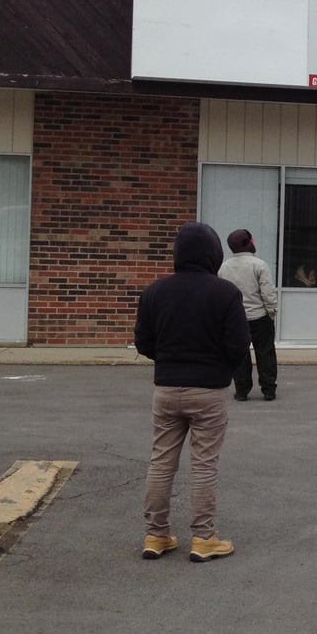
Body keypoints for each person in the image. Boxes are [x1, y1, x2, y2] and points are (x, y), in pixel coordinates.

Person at [134, 222, 251, 563]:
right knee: (204, 466)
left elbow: (144, 342)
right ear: (214, 254)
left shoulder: (155, 292)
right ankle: (203, 539)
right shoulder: (226, 293)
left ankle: (156, 535)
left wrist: (169, 361)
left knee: (161, 462)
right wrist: (220, 368)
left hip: (166, 388)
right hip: (209, 390)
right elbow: (238, 345)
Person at [219, 229, 279, 402]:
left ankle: (242, 391)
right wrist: (272, 311)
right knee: (266, 353)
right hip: (260, 317)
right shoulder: (259, 265)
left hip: (236, 319)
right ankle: (268, 390)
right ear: (249, 243)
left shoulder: (224, 267)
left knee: (240, 355)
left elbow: (222, 293)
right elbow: (267, 292)